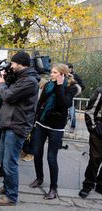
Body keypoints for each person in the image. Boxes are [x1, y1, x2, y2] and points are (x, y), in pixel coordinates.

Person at [0, 51, 39, 206]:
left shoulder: (30, 81)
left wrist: (1, 84)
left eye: (13, 63)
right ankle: (6, 187)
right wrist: (5, 80)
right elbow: (10, 96)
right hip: (9, 123)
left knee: (10, 163)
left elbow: (9, 96)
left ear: (20, 64)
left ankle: (12, 196)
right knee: (5, 160)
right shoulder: (21, 78)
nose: (11, 66)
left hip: (17, 125)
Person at [29, 63, 79, 199]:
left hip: (56, 127)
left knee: (51, 157)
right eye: (52, 72)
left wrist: (59, 85)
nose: (51, 75)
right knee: (37, 153)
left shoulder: (71, 88)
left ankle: (53, 188)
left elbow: (63, 103)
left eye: (55, 73)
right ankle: (39, 178)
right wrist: (35, 119)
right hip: (42, 123)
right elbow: (40, 103)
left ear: (63, 74)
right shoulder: (49, 84)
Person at [78, 86, 102, 199]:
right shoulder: (100, 91)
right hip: (99, 131)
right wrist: (94, 128)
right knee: (95, 159)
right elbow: (89, 111)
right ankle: (88, 185)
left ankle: (100, 184)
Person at [67, 63, 85, 132]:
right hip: (65, 97)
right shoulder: (63, 76)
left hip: (73, 98)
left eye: (68, 68)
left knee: (72, 113)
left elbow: (82, 86)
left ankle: (72, 127)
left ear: (71, 69)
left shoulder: (76, 76)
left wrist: (74, 81)